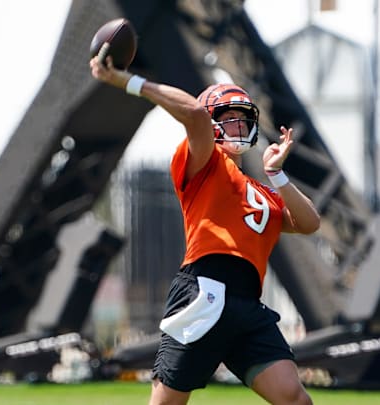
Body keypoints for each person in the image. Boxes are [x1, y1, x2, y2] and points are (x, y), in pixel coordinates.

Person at [90, 50, 320, 405]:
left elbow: (308, 223)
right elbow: (195, 113)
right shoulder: (206, 164)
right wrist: (128, 81)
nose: (239, 127)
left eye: (243, 120)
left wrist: (277, 174)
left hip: (247, 304)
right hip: (204, 292)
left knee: (295, 399)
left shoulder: (261, 191)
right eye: (229, 119)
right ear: (212, 126)